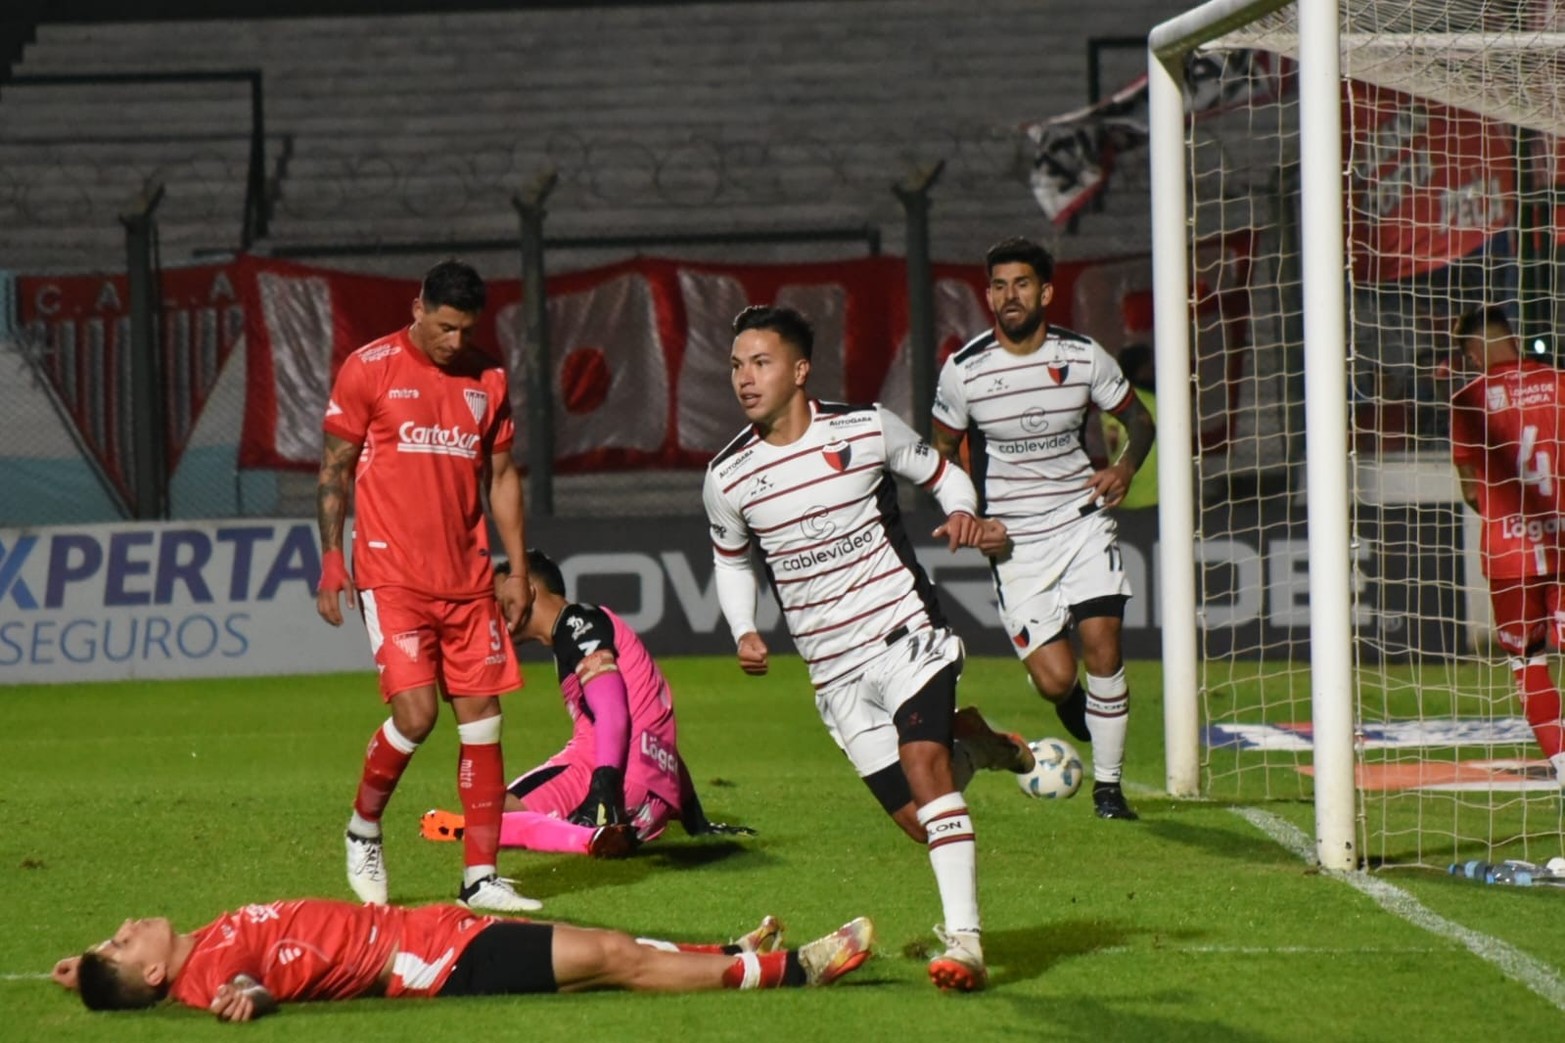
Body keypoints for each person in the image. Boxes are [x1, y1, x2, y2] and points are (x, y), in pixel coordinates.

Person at [703, 303, 1035, 994]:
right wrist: (743, 626)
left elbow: (941, 475)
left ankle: (966, 942)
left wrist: (963, 511)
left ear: (799, 370)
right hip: (833, 674)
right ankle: (972, 742)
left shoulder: (863, 429)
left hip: (903, 634)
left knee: (922, 764)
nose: (744, 377)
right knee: (920, 820)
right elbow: (732, 561)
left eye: (759, 362)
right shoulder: (727, 476)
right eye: (736, 364)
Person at [315, 259, 538, 913]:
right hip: (392, 575)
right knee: (417, 714)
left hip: (467, 581)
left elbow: (501, 477)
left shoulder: (487, 376)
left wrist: (516, 569)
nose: (452, 342)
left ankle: (480, 876)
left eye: (464, 331)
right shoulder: (369, 367)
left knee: (483, 722)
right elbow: (334, 467)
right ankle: (363, 828)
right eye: (443, 327)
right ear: (418, 307)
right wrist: (332, 556)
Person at [930, 237, 1157, 821]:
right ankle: (1069, 700)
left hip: (1080, 520)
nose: (1010, 296)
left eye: (1022, 284)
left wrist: (1125, 467)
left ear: (1046, 292)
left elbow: (1137, 418)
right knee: (1057, 680)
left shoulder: (1082, 356)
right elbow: (942, 447)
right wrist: (969, 515)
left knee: (1104, 640)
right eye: (999, 286)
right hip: (1015, 541)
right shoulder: (965, 370)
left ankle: (1109, 789)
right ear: (988, 295)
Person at [419, 551, 756, 856]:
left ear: (528, 590)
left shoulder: (575, 622)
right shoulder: (593, 630)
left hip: (610, 781)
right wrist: (697, 821)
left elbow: (612, 710)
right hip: (651, 808)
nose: (493, 613)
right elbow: (654, 733)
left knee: (488, 808)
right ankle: (586, 832)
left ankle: (467, 829)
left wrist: (604, 789)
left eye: (498, 599)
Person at [58, 899, 873, 1020]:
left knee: (599, 944)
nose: (125, 926)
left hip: (433, 928)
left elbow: (134, 973)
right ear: (158, 976)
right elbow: (243, 990)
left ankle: (725, 951)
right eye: (121, 942)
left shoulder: (194, 943)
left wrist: (87, 968)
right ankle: (795, 969)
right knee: (614, 957)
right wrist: (250, 1000)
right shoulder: (205, 976)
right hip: (439, 961)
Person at [1450, 305, 1565, 784]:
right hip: (1564, 541)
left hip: (1508, 554)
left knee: (1528, 660)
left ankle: (1563, 767)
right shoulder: (1561, 383)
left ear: (1475, 351)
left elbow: (1473, 490)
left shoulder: (1469, 398)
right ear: (1512, 338)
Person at [1099, 343, 1159, 510]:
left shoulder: (1110, 405)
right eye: (1151, 366)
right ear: (1141, 369)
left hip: (1122, 496)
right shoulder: (1153, 403)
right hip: (1153, 498)